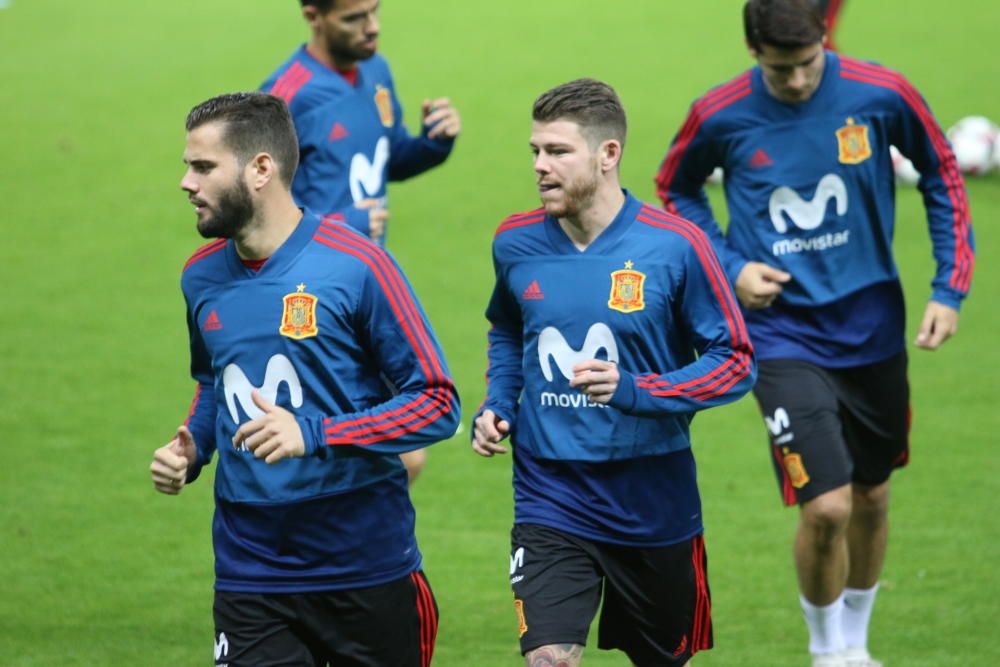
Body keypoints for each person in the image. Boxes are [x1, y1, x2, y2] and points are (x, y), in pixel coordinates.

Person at [654, 1, 974, 665]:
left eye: (806, 65)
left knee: (872, 495)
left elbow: (941, 170)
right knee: (826, 507)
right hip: (779, 335)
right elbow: (674, 187)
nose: (798, 82)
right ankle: (826, 651)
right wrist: (730, 266)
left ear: (825, 37)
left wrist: (949, 286)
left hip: (872, 327)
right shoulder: (719, 113)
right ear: (752, 51)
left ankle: (856, 644)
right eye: (780, 70)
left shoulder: (881, 93)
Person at [149, 91, 459, 666]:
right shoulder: (200, 277)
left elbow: (438, 403)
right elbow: (217, 383)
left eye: (203, 167)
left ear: (260, 169)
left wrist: (315, 433)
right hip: (250, 573)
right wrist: (192, 447)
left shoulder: (357, 265)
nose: (186, 183)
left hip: (364, 569)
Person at [472, 78, 756, 667]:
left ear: (608, 155)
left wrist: (636, 391)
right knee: (548, 658)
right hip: (550, 493)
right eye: (535, 152)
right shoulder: (515, 242)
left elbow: (734, 362)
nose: (540, 167)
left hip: (653, 500)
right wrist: (499, 401)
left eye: (557, 152)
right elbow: (507, 328)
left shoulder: (677, 247)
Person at [261, 0, 461, 483]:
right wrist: (344, 222)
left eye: (374, 12)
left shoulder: (376, 70)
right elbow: (256, 206)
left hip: (367, 289)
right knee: (391, 456)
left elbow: (382, 158)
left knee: (396, 450)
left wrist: (433, 145)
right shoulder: (285, 98)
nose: (371, 28)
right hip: (311, 300)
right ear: (313, 15)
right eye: (354, 18)